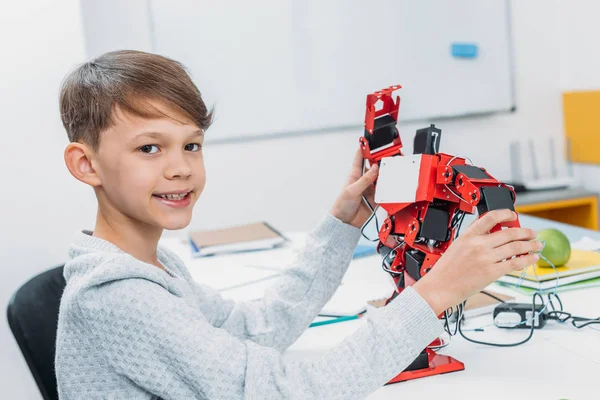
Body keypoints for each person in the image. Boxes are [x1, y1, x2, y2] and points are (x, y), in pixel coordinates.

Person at [55, 50, 541, 400]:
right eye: (149, 148)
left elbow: (258, 329)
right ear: (86, 164)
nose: (180, 167)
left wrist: (343, 224)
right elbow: (285, 391)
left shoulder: (153, 265)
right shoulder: (118, 296)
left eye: (192, 145)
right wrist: (437, 291)